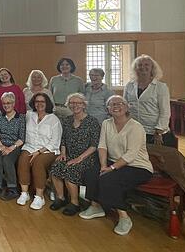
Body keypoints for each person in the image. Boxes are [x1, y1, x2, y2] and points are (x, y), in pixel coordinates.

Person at [79, 95, 153, 236]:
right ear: (108, 109)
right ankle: (96, 206)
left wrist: (111, 168)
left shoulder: (136, 127)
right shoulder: (107, 123)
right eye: (112, 104)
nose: (116, 106)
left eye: (120, 103)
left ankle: (124, 217)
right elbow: (102, 146)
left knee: (109, 179)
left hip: (137, 166)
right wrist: (103, 165)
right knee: (91, 173)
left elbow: (131, 154)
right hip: (114, 162)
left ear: (126, 107)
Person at [50, 93, 101, 216]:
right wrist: (63, 153)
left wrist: (79, 159)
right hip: (69, 155)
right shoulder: (67, 120)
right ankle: (61, 198)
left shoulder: (92, 121)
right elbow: (63, 139)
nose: (75, 105)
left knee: (70, 170)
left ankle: (75, 203)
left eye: (78, 103)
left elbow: (94, 145)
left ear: (84, 105)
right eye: (72, 103)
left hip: (87, 157)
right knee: (56, 167)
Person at [16, 92, 62, 209]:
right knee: (23, 160)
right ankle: (24, 193)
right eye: (37, 101)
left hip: (48, 149)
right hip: (29, 146)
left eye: (42, 102)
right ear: (33, 103)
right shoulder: (29, 115)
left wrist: (39, 152)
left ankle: (39, 197)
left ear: (47, 103)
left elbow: (55, 141)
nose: (39, 104)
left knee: (38, 163)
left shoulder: (53, 119)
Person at [124, 55, 175, 147]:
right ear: (135, 68)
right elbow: (125, 107)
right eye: (139, 65)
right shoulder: (129, 85)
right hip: (135, 129)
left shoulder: (161, 87)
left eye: (146, 64)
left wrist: (159, 131)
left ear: (152, 68)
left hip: (154, 131)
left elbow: (165, 111)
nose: (143, 67)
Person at [0, 92, 26, 201]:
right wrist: (1, 146)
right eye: (4, 103)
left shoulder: (20, 118)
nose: (6, 105)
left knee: (7, 160)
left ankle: (12, 188)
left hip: (14, 145)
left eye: (9, 103)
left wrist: (10, 148)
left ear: (14, 103)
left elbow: (22, 138)